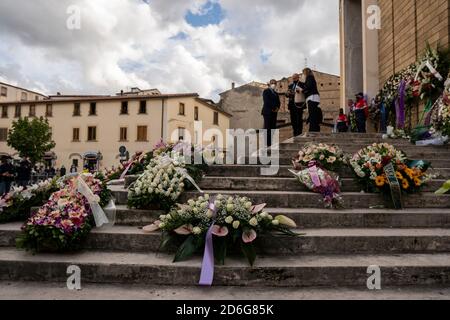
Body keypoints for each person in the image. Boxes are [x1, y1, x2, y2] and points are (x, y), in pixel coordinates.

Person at [261, 79, 281, 147]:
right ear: (269, 83)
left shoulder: (276, 93)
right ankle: (266, 144)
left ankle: (271, 143)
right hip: (267, 112)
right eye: (272, 83)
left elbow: (278, 102)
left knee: (273, 128)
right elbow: (266, 101)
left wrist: (277, 108)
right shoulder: (266, 91)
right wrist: (273, 108)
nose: (274, 84)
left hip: (274, 113)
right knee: (267, 128)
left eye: (275, 83)